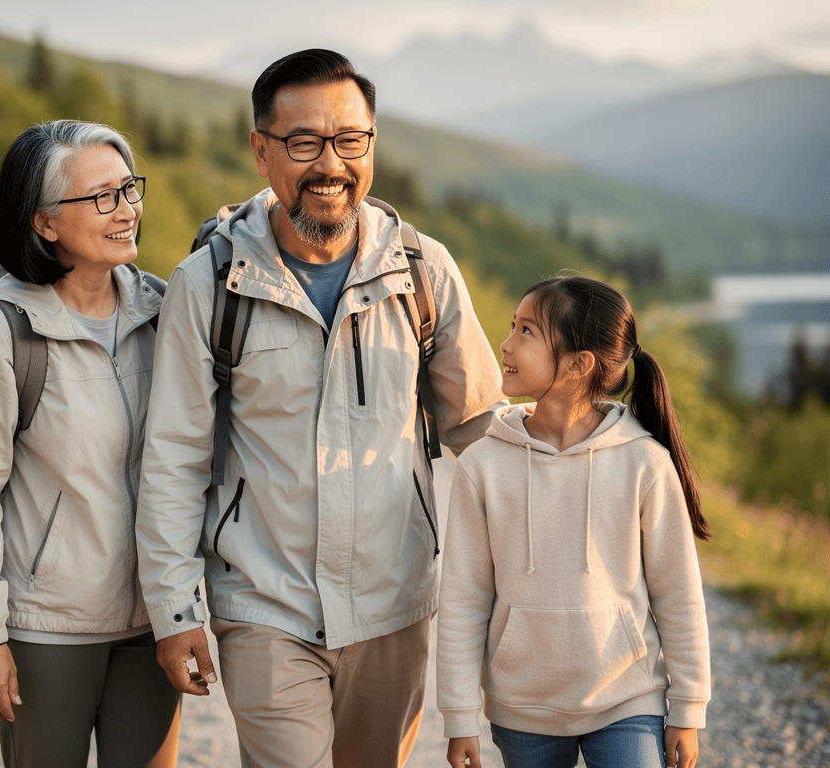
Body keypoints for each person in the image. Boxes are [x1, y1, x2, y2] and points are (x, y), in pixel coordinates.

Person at [135, 49, 504, 768]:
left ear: (371, 143)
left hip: (395, 605)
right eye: (304, 142)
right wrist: (174, 612)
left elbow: (482, 428)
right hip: (264, 606)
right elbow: (174, 456)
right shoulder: (209, 284)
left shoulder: (423, 271)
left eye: (350, 140)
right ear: (261, 150)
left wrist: (589, 462)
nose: (329, 164)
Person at [0, 120, 180, 768]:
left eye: (130, 189)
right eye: (102, 197)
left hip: (152, 628)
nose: (127, 209)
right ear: (44, 222)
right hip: (47, 632)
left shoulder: (166, 314)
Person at [436, 275, 712, 768]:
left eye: (526, 332)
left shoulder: (644, 464)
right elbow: (462, 598)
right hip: (523, 710)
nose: (504, 344)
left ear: (578, 364)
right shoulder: (482, 466)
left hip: (626, 699)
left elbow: (678, 593)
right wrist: (459, 715)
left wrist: (688, 708)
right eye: (512, 326)